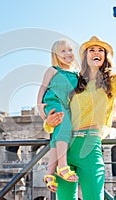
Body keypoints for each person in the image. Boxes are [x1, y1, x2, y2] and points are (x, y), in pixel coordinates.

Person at [44, 7, 116, 200]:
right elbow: (57, 105)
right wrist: (48, 122)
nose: (96, 52)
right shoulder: (74, 82)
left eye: (100, 50)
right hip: (65, 148)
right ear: (84, 56)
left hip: (91, 146)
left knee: (94, 197)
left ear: (104, 56)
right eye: (91, 50)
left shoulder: (112, 83)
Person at [37, 38, 79, 192]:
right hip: (53, 103)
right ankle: (62, 166)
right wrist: (40, 108)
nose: (67, 53)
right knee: (64, 125)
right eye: (63, 51)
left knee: (57, 136)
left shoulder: (76, 73)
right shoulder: (53, 70)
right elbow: (42, 89)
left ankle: (49, 174)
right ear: (55, 55)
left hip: (66, 106)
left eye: (70, 50)